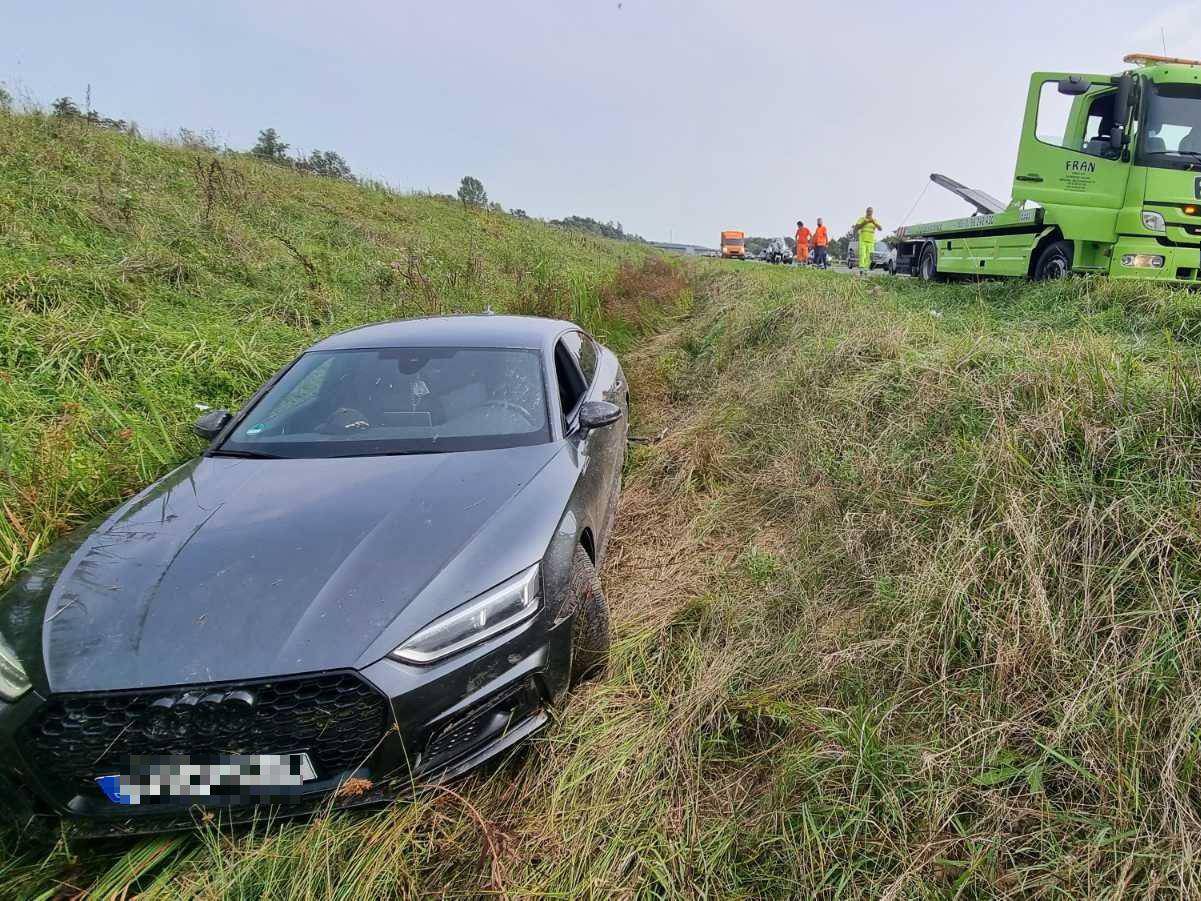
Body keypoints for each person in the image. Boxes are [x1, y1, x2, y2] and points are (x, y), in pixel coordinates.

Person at [853, 207, 883, 273]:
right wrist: (864, 222)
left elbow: (880, 228)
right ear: (866, 212)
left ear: (872, 213)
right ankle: (861, 268)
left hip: (871, 241)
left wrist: (874, 223)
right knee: (862, 254)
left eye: (871, 212)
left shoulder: (874, 220)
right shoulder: (862, 219)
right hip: (862, 240)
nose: (869, 213)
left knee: (869, 256)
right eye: (868, 211)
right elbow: (856, 228)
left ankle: (866, 269)